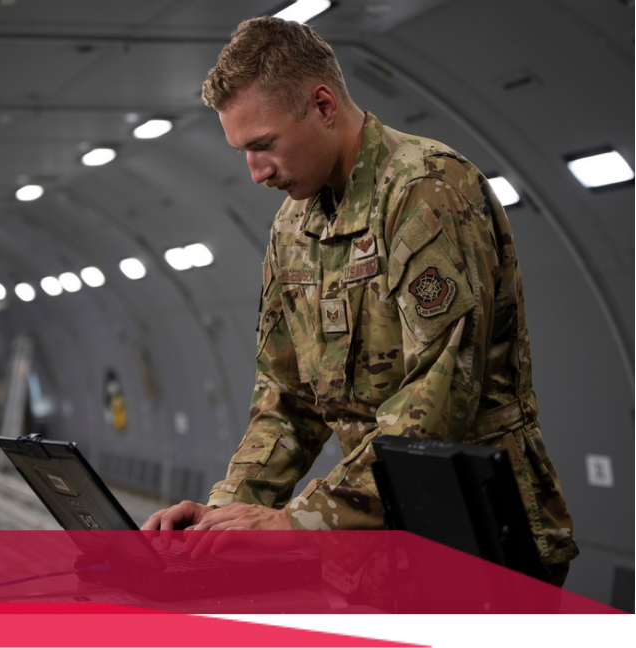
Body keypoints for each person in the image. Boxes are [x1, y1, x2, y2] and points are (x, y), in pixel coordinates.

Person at [142, 16, 578, 584]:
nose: (255, 172)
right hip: (377, 543)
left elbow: (437, 401)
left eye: (264, 145)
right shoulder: (293, 225)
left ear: (323, 105)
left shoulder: (427, 191)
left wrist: (296, 522)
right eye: (242, 152)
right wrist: (223, 512)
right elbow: (287, 399)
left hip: (476, 536)